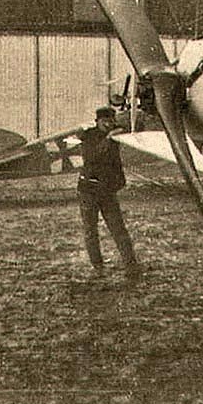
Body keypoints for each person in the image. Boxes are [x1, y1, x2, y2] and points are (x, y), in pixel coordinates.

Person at [78, 106, 140, 280]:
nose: (108, 124)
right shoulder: (88, 136)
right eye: (104, 121)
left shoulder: (114, 133)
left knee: (118, 228)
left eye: (111, 121)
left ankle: (131, 263)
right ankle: (97, 266)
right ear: (97, 121)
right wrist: (108, 138)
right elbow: (92, 156)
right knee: (91, 230)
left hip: (107, 190)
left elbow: (133, 127)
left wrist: (121, 128)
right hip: (88, 191)